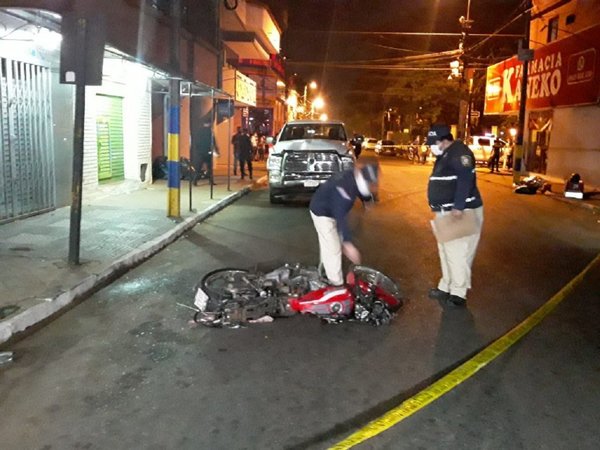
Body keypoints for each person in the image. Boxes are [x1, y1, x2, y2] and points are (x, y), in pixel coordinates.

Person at [426, 124, 483, 307]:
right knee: (446, 251)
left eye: (433, 143)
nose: (431, 147)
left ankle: (458, 293)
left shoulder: (460, 153)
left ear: (444, 140)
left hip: (459, 212)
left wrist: (458, 206)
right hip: (445, 211)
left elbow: (465, 179)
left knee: (457, 253)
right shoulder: (446, 154)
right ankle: (447, 286)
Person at [309, 157, 380, 286]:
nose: (372, 187)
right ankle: (336, 284)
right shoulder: (345, 190)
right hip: (322, 211)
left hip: (330, 205)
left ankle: (324, 270)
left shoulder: (355, 175)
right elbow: (340, 215)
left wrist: (367, 200)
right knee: (334, 247)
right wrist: (348, 244)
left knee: (328, 243)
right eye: (370, 185)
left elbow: (361, 189)